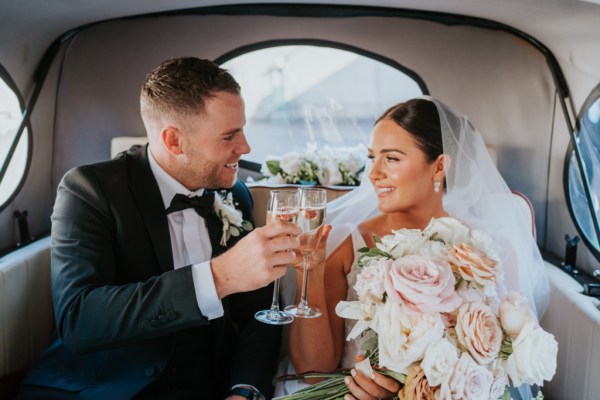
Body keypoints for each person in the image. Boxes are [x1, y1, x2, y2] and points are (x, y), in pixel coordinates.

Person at [18, 57, 302, 399]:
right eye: (229, 135)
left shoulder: (234, 193)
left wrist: (244, 389)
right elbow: (80, 321)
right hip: (102, 389)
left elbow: (258, 315)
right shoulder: (90, 190)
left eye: (242, 129)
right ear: (174, 141)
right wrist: (219, 277)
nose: (245, 147)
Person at [276, 97, 550, 399]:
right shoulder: (344, 244)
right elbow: (313, 372)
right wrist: (309, 274)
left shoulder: (485, 253)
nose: (374, 174)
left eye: (391, 158)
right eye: (372, 158)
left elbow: (495, 366)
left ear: (439, 167)